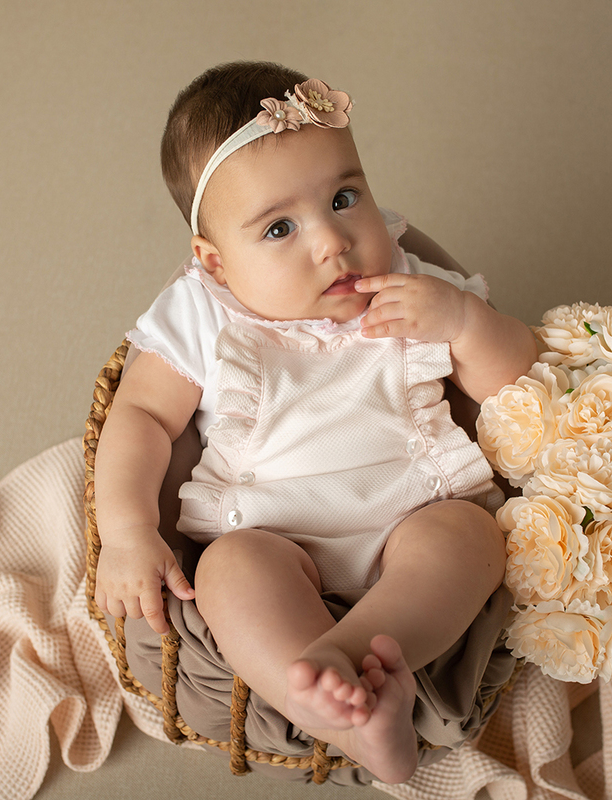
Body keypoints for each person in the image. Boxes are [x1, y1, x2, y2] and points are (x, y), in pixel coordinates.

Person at [94, 61, 537, 784]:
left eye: (343, 197)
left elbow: (518, 387)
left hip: (411, 513)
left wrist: (465, 322)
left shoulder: (409, 281)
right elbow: (138, 416)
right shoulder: (204, 312)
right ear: (215, 263)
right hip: (269, 528)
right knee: (228, 574)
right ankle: (358, 721)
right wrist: (128, 532)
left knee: (474, 537)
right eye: (279, 228)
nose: (332, 240)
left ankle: (349, 661)